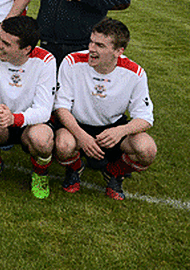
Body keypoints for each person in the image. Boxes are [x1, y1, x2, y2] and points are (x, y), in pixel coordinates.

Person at [54, 18, 156, 200]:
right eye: (91, 42)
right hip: (77, 126)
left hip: (113, 129)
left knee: (147, 150)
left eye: (100, 45)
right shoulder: (72, 61)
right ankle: (75, 168)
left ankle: (114, 173)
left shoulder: (135, 73)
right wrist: (81, 135)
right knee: (63, 145)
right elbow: (61, 107)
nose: (92, 49)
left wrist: (120, 131)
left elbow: (145, 118)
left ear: (118, 51)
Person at [0, 16, 56, 199]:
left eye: (7, 43)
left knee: (42, 139)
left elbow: (44, 110)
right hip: (0, 122)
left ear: (26, 49)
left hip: (29, 124)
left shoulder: (46, 61)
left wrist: (15, 119)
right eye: (0, 38)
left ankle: (40, 174)